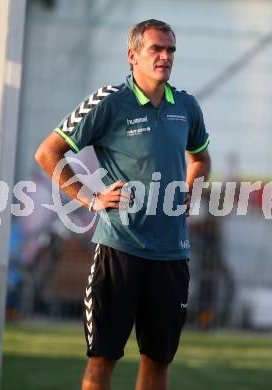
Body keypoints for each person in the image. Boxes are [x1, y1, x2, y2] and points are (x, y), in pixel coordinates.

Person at [35, 19, 211, 390]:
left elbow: (200, 158)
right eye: (156, 49)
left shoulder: (187, 107)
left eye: (171, 50)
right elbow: (48, 152)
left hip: (171, 255)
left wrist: (188, 188)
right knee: (102, 360)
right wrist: (90, 198)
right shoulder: (110, 102)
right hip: (120, 250)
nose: (165, 57)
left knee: (157, 362)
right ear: (132, 56)